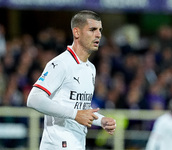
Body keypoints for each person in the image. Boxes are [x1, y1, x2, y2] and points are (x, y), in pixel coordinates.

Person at [27, 10, 116, 150]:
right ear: (77, 32)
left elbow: (81, 109)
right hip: (57, 144)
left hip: (77, 143)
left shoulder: (90, 68)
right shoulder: (61, 64)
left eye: (100, 30)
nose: (98, 34)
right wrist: (75, 114)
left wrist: (101, 120)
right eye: (92, 29)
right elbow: (33, 99)